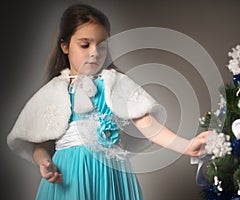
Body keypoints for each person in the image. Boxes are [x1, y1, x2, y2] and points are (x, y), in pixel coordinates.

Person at [7, 3, 210, 200]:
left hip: (112, 176)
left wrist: (186, 146)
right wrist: (44, 162)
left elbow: (147, 123)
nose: (95, 52)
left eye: (101, 45)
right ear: (65, 46)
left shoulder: (114, 83)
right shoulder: (54, 91)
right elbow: (40, 144)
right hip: (70, 175)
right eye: (85, 45)